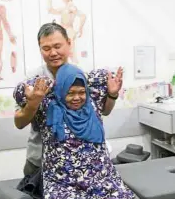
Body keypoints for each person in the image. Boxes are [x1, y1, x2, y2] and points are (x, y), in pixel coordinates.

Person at [14, 62, 133, 199]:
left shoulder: (93, 103)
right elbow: (20, 92)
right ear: (61, 91)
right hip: (62, 185)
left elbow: (103, 75)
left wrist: (111, 93)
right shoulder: (48, 106)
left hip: (101, 181)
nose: (77, 98)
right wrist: (41, 89)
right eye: (70, 93)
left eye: (81, 92)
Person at [14, 22, 122, 178]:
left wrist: (112, 95)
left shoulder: (81, 75)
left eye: (58, 46)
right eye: (46, 48)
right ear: (40, 49)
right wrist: (33, 103)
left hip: (84, 159)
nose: (53, 53)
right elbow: (19, 123)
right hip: (40, 160)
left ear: (69, 44)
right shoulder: (34, 81)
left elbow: (104, 111)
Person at [48, 0, 86, 64]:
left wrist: (80, 29)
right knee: (66, 53)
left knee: (71, 52)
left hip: (69, 31)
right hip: (63, 32)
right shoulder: (64, 8)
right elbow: (51, 10)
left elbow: (83, 16)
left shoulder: (72, 7)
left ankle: (77, 71)